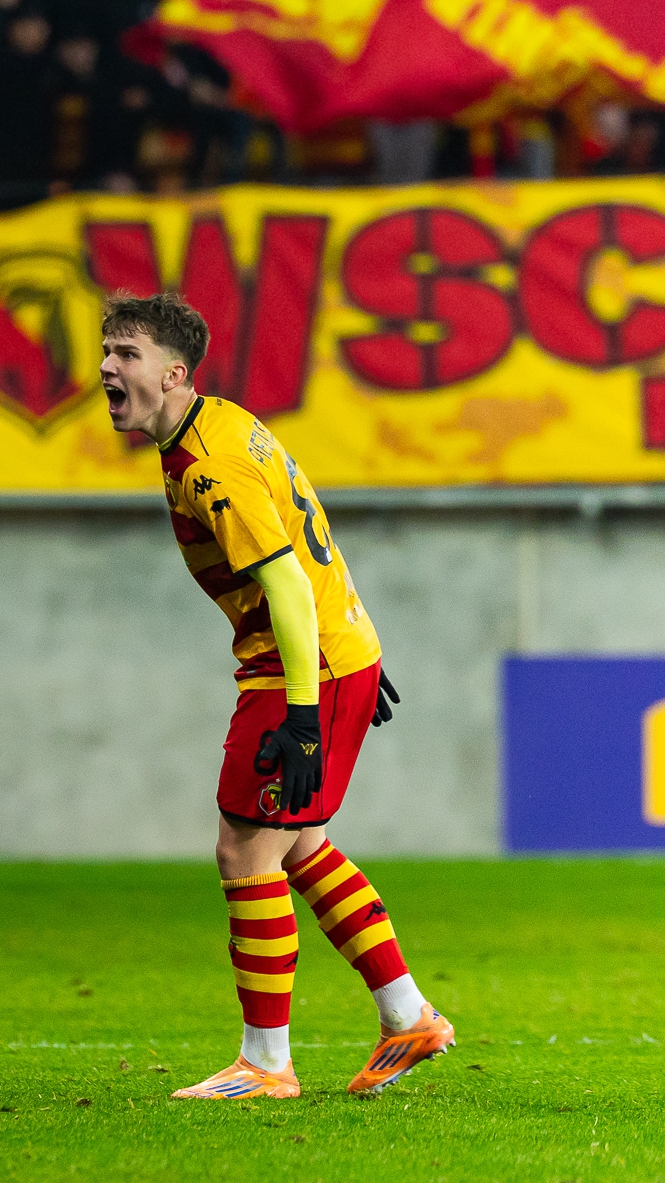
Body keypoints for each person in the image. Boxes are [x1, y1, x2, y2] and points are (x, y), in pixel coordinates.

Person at [97, 292, 447, 1101]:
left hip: (300, 668)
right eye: (107, 352)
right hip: (335, 654)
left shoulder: (208, 466)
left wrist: (303, 714)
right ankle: (409, 1016)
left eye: (127, 354)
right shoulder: (223, 422)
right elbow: (305, 524)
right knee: (298, 845)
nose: (108, 369)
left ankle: (265, 1063)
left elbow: (287, 583)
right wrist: (354, 643)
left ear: (174, 374)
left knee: (244, 850)